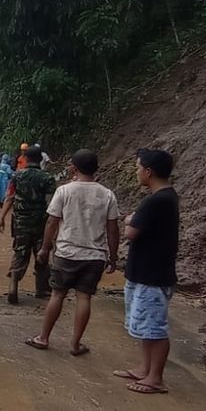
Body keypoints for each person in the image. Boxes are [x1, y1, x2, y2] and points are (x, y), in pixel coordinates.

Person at [25, 149, 119, 355]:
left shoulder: (64, 191)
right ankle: (75, 344)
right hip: (94, 256)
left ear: (74, 168)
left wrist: (45, 248)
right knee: (84, 298)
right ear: (96, 169)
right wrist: (113, 257)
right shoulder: (107, 195)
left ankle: (43, 338)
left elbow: (52, 222)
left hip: (66, 253)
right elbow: (113, 229)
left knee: (57, 294)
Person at [116, 148, 179, 395]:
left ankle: (155, 378)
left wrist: (129, 220)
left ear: (149, 172)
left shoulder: (157, 201)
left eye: (138, 168)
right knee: (144, 324)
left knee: (155, 326)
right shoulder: (164, 197)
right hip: (146, 270)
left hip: (153, 273)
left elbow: (131, 231)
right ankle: (145, 368)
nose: (136, 172)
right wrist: (133, 218)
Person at [0, 146, 55, 304]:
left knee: (20, 252)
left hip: (20, 222)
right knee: (41, 253)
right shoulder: (47, 178)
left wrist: (2, 217)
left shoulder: (17, 176)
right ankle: (41, 289)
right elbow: (52, 204)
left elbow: (9, 198)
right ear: (41, 159)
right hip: (41, 223)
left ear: (26, 158)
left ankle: (13, 286)